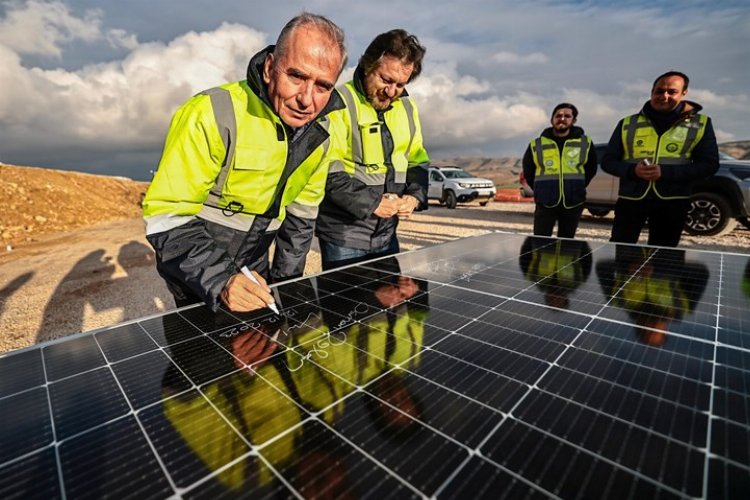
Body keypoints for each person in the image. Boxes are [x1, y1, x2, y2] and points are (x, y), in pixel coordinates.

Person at [142, 13, 348, 313]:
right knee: (201, 357)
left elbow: (301, 221)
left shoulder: (322, 136)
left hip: (255, 268)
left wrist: (287, 289)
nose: (307, 99)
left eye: (323, 86)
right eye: (297, 76)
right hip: (197, 274)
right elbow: (167, 216)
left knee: (263, 353)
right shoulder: (211, 113)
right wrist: (222, 279)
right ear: (269, 68)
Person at [315, 29, 430, 270]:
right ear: (367, 66)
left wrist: (414, 196)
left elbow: (417, 160)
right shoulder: (338, 101)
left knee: (391, 304)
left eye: (400, 84)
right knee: (346, 306)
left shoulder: (407, 107)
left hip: (388, 235)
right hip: (344, 238)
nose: (391, 91)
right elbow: (324, 168)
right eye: (386, 80)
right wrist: (372, 203)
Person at [601, 70, 719, 247]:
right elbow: (608, 161)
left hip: (673, 200)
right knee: (621, 250)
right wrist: (633, 171)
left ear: (684, 93)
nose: (664, 96)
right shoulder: (627, 123)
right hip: (632, 199)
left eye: (672, 92)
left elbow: (709, 165)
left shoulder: (700, 124)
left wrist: (665, 173)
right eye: (659, 91)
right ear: (652, 91)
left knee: (663, 256)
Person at [521, 103, 597, 238]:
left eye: (567, 116)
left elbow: (591, 169)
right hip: (545, 202)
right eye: (558, 116)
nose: (562, 118)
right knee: (540, 241)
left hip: (573, 201)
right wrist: (540, 189)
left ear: (573, 120)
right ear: (552, 120)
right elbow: (528, 170)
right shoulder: (537, 144)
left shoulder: (585, 143)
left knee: (567, 243)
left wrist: (577, 186)